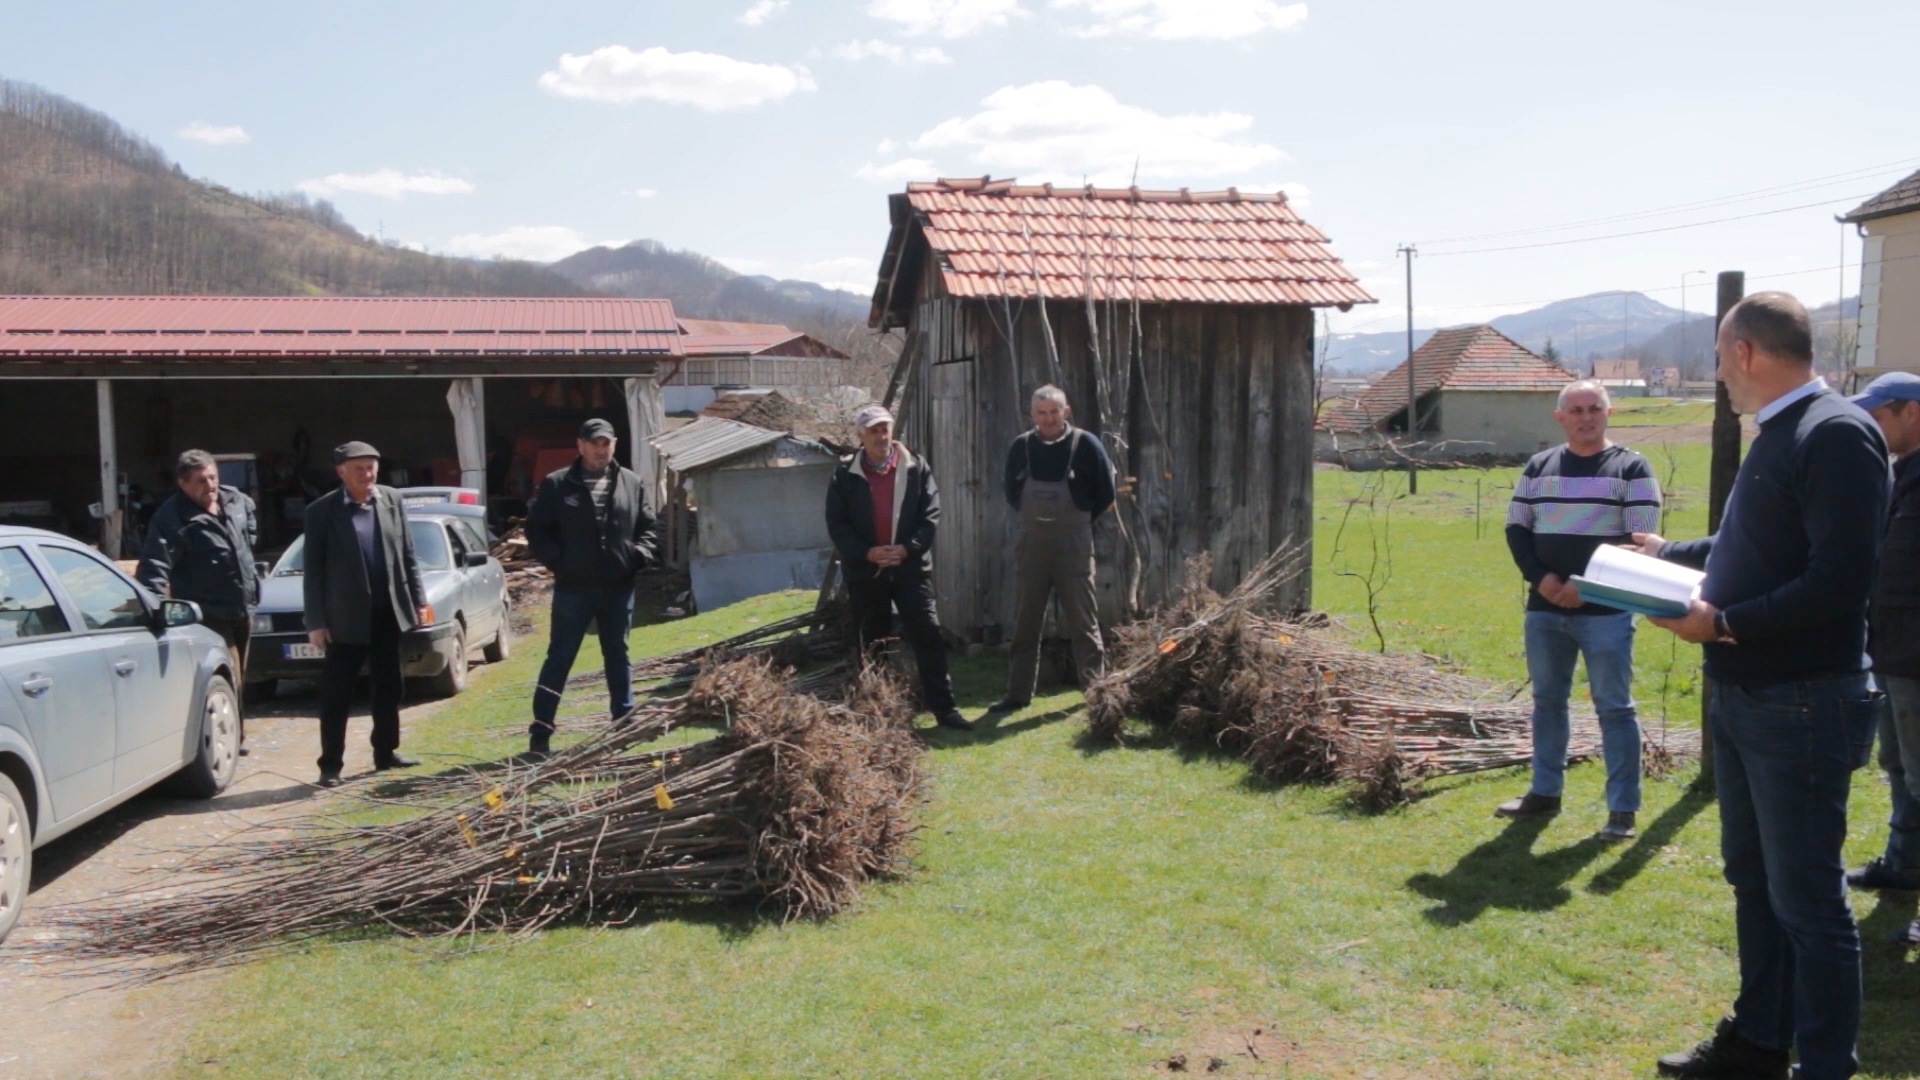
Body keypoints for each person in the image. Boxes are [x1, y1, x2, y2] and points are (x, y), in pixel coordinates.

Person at [1632, 294, 1888, 1080]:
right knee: (1754, 880)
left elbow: (1840, 579)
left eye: (1716, 357)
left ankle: (1822, 1066)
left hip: (1802, 702)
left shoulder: (1836, 433)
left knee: (1809, 903)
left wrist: (1727, 624)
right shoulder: (1783, 434)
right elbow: (1757, 542)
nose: (1717, 373)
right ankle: (1759, 1041)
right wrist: (1668, 551)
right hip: (1749, 697)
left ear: (1744, 352)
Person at [1498, 380, 1661, 840]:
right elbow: (1516, 528)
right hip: (1544, 608)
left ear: (1609, 413)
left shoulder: (1631, 467)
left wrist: (1586, 589)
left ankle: (1622, 811)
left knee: (1614, 707)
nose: (1585, 417)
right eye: (1576, 410)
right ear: (1560, 417)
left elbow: (1640, 541)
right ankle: (1544, 791)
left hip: (1606, 611)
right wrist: (1542, 579)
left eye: (1594, 408)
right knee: (1548, 703)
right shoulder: (1539, 466)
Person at [824, 404, 969, 731]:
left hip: (910, 569)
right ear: (860, 435)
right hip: (867, 571)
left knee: (928, 636)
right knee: (869, 644)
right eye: (873, 430)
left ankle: (945, 711)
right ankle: (873, 713)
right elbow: (837, 523)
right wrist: (867, 553)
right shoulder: (845, 473)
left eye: (884, 428)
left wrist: (907, 549)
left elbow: (931, 515)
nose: (880, 435)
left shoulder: (915, 467)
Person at [524, 418, 657, 758]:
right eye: (595, 443)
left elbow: (649, 527)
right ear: (580, 445)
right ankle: (540, 733)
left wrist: (637, 557)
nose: (602, 449)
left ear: (614, 444)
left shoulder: (631, 482)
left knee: (618, 655)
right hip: (574, 589)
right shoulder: (557, 485)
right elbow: (537, 531)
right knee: (560, 658)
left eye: (607, 443)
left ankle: (623, 724)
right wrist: (560, 562)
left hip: (618, 586)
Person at [303, 442, 431, 787]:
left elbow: (407, 553)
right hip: (344, 619)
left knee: (389, 687)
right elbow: (312, 571)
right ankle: (330, 765)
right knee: (337, 694)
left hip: (388, 612)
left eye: (371, 467)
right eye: (358, 468)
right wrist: (315, 620)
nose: (367, 474)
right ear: (341, 472)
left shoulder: (391, 500)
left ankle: (385, 752)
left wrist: (418, 600)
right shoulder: (321, 512)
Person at [1845, 371, 1920, 949]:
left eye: (1877, 413)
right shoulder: (1901, 475)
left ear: (1909, 411)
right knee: (1899, 768)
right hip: (1894, 650)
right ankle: (1903, 864)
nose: (1869, 425)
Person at [988, 385, 1117, 714]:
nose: (1048, 418)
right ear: (1032, 415)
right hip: (1032, 544)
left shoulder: (1085, 444)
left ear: (1067, 411)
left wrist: (1076, 519)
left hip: (1074, 543)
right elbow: (1011, 490)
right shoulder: (1022, 447)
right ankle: (1017, 695)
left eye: (1054, 411)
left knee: (1083, 624)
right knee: (1025, 621)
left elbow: (1106, 493)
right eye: (1041, 412)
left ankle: (1095, 694)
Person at [136, 448, 261, 747]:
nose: (210, 485)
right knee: (225, 674)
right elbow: (155, 565)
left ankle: (236, 731)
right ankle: (227, 737)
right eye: (201, 481)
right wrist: (151, 607)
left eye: (213, 477)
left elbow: (250, 535)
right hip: (207, 612)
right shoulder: (171, 517)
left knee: (240, 675)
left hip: (243, 603)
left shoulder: (236, 501)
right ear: (183, 484)